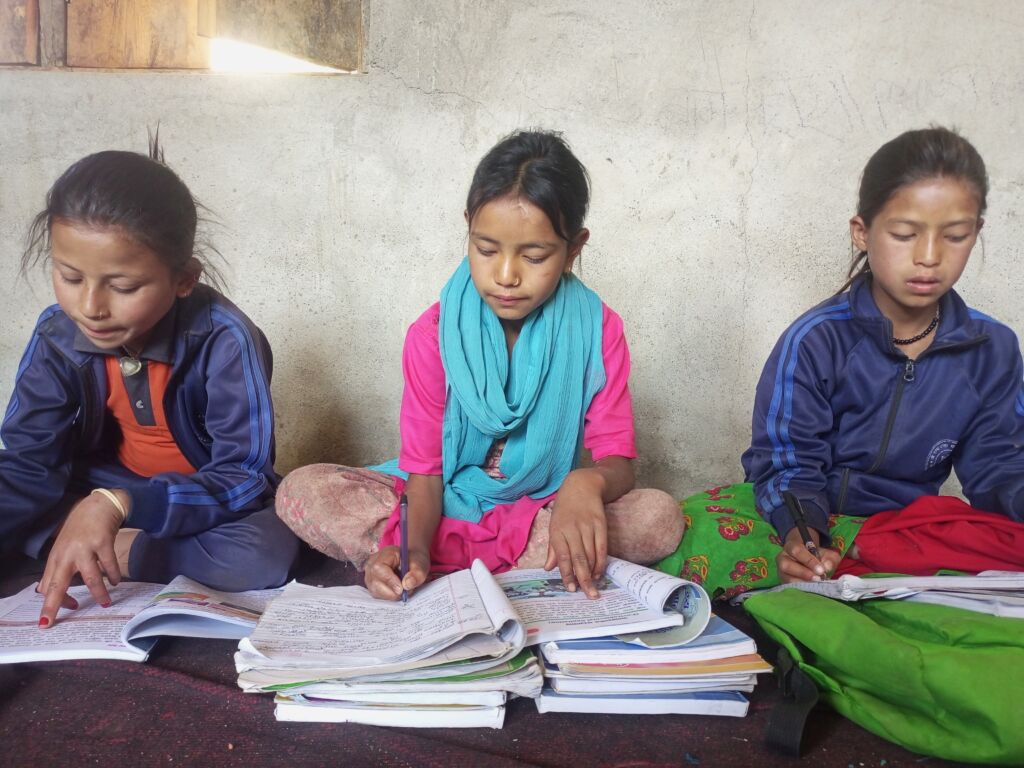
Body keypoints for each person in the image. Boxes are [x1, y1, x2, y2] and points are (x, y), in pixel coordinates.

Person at [277, 129, 682, 600]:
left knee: (657, 518)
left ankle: (473, 557)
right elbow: (425, 473)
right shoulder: (432, 334)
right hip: (440, 499)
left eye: (534, 256)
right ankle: (486, 561)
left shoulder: (598, 329)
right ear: (468, 226)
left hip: (540, 504)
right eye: (486, 249)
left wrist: (584, 483)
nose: (506, 276)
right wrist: (411, 546)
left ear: (574, 248)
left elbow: (617, 459)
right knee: (300, 489)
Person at [2, 137, 298, 627]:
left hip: (197, 499)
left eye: (123, 287)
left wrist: (120, 505)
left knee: (262, 552)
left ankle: (110, 549)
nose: (91, 307)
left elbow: (243, 477)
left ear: (183, 279)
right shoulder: (58, 334)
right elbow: (28, 465)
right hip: (92, 486)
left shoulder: (226, 340)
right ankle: (86, 541)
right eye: (70, 277)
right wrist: (97, 499)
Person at [742, 126, 1024, 584]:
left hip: (908, 530)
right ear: (862, 232)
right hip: (811, 521)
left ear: (977, 233)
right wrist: (804, 539)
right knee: (709, 535)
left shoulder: (991, 348)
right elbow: (787, 461)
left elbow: (999, 466)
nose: (929, 257)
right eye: (905, 234)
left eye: (954, 236)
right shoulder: (816, 340)